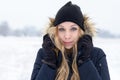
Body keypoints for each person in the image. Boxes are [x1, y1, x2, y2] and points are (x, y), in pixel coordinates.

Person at [31, 1, 110, 80]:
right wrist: (49, 63)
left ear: (81, 31)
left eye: (73, 29)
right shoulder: (44, 54)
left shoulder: (96, 55)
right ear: (55, 31)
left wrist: (84, 61)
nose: (67, 36)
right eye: (62, 29)